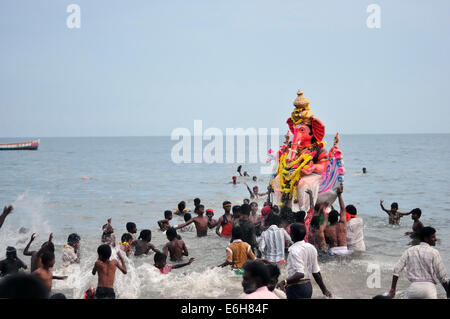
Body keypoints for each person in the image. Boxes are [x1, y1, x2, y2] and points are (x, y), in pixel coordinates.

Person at [388, 227, 449, 299]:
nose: (435, 239)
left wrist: (393, 288)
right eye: (433, 237)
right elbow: (441, 275)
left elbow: (396, 269)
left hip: (413, 289)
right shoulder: (434, 252)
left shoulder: (409, 250)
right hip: (429, 290)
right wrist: (448, 292)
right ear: (426, 238)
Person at [276, 223, 332, 299]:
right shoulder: (311, 247)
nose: (289, 233)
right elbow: (316, 272)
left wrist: (284, 282)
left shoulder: (293, 250)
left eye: (290, 232)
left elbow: (300, 274)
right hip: (308, 287)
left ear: (293, 235)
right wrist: (324, 290)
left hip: (296, 288)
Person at [324, 186, 350, 255]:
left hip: (333, 251)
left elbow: (325, 242)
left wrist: (322, 209)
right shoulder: (342, 224)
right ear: (338, 217)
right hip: (344, 250)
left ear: (328, 218)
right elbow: (343, 209)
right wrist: (339, 195)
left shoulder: (326, 229)